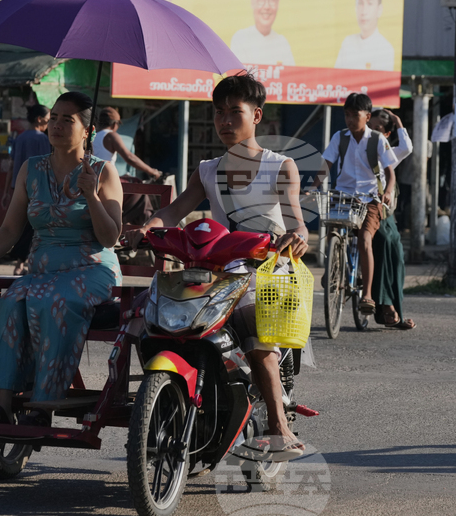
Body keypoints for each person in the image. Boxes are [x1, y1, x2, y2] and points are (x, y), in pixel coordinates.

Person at [125, 73, 308, 457]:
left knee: (256, 333)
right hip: (219, 270)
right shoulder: (208, 169)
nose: (225, 121)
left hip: (268, 270)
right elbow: (176, 210)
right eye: (219, 113)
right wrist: (149, 227)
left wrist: (298, 236)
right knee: (153, 315)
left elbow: (295, 218)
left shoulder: (280, 166)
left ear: (256, 116)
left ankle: (278, 424)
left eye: (234, 113)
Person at [0, 91, 124, 427]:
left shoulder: (103, 172)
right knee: (9, 302)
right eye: (55, 118)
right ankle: (2, 404)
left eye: (69, 119)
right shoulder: (30, 170)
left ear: (87, 130)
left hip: (91, 268)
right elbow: (8, 230)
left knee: (55, 301)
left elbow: (111, 238)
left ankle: (43, 406)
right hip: (43, 270)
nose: (57, 125)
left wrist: (91, 195)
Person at [315, 93, 398, 316]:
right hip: (344, 197)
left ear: (367, 116)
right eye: (347, 115)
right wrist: (311, 185)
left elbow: (391, 172)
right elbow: (326, 164)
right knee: (333, 229)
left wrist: (388, 192)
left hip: (370, 199)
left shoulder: (378, 140)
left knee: (364, 239)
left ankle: (367, 294)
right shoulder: (340, 137)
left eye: (355, 115)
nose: (350, 120)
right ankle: (332, 267)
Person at [367, 109, 415, 330]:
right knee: (386, 241)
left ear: (386, 134)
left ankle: (390, 304)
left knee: (393, 246)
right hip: (358, 207)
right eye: (370, 127)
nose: (372, 132)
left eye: (378, 130)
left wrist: (398, 121)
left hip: (382, 211)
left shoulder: (388, 155)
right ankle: (384, 304)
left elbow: (407, 147)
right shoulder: (355, 145)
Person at [2, 104, 51, 275]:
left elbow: (11, 165)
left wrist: (6, 191)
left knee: (19, 226)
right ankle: (28, 262)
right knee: (34, 227)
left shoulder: (20, 138)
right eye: (48, 119)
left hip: (17, 187)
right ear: (39, 119)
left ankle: (19, 263)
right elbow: (48, 166)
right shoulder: (42, 139)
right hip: (36, 189)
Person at [230, 0, 295, 66]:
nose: (267, 6)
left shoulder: (283, 44)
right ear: (253, 1)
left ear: (277, 2)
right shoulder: (240, 39)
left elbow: (292, 80)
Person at [334, 0, 395, 71]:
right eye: (360, 3)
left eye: (370, 3)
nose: (364, 11)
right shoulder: (347, 42)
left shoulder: (385, 49)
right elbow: (336, 80)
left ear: (379, 10)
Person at [92, 107, 162, 179]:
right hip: (105, 178)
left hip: (92, 176)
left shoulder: (93, 136)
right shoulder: (111, 136)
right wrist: (151, 171)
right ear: (114, 124)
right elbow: (129, 157)